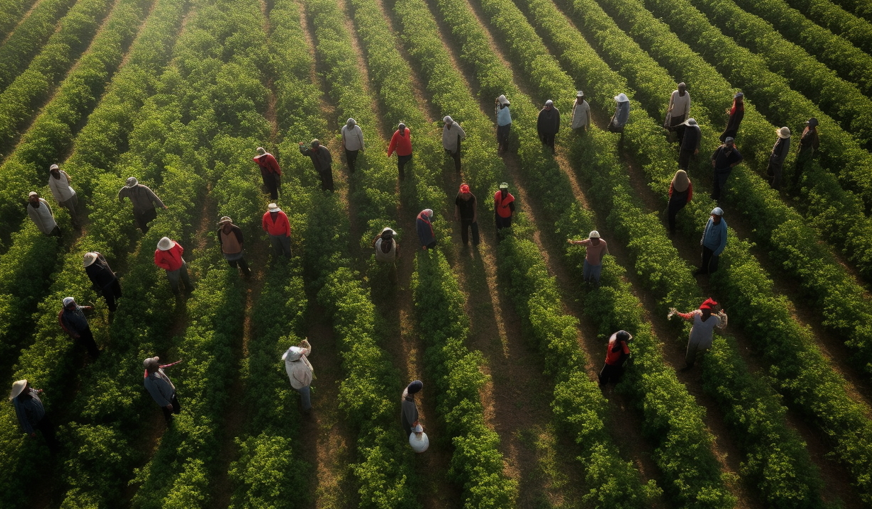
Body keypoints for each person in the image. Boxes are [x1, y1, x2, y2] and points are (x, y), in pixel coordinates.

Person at [669, 298, 728, 370]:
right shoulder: (696, 313)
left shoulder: (715, 319)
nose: (703, 312)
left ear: (710, 311)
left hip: (705, 339)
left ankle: (701, 369)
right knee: (691, 350)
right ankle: (689, 365)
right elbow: (686, 316)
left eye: (706, 310)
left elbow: (721, 327)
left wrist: (723, 316)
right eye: (703, 310)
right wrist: (677, 313)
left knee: (703, 354)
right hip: (694, 336)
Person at [9, 380, 58, 453]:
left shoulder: (28, 390)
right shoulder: (20, 403)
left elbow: (33, 391)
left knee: (50, 427)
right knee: (47, 434)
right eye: (26, 387)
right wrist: (30, 431)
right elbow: (22, 418)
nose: (28, 388)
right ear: (21, 391)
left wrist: (38, 391)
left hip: (43, 415)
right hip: (38, 421)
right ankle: (54, 449)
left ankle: (56, 441)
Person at [143, 356, 182, 426]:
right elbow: (156, 395)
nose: (158, 365)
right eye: (155, 364)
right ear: (151, 367)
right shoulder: (149, 381)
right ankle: (172, 429)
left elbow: (155, 361)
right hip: (167, 402)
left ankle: (182, 421)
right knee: (170, 416)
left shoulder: (157, 369)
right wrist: (166, 403)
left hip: (172, 395)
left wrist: (155, 359)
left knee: (178, 409)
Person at [282, 338, 314, 413]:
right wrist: (308, 383)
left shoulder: (290, 357)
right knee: (305, 394)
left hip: (298, 381)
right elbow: (304, 381)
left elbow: (305, 353)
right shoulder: (296, 368)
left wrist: (307, 345)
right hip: (301, 385)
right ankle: (307, 409)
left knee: (303, 392)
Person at [695, 207, 727, 276]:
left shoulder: (723, 226)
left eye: (716, 218)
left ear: (720, 217)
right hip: (706, 244)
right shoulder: (710, 219)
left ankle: (711, 276)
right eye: (713, 217)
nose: (714, 219)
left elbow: (723, 241)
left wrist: (717, 252)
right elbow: (706, 230)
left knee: (712, 264)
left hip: (713, 248)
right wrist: (702, 240)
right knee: (704, 258)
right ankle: (703, 270)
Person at [47, 164, 79, 228]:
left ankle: (78, 216)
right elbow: (55, 192)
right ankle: (76, 224)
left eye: (56, 170)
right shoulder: (51, 181)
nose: (55, 172)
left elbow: (68, 180)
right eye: (53, 171)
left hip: (71, 192)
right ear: (51, 172)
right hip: (65, 197)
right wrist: (60, 201)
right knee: (72, 211)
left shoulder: (62, 173)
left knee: (76, 204)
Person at [793, 118, 819, 190]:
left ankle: (794, 183)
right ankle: (795, 181)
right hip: (805, 150)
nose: (807, 124)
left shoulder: (811, 132)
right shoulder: (812, 131)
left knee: (799, 166)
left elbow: (803, 140)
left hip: (805, 151)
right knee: (799, 166)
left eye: (809, 124)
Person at [667, 170, 693, 235]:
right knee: (677, 212)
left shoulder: (674, 183)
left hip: (673, 201)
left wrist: (670, 198)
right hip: (682, 202)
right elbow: (690, 195)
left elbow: (670, 191)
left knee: (671, 215)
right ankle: (678, 225)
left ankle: (672, 231)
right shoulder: (688, 184)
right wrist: (687, 201)